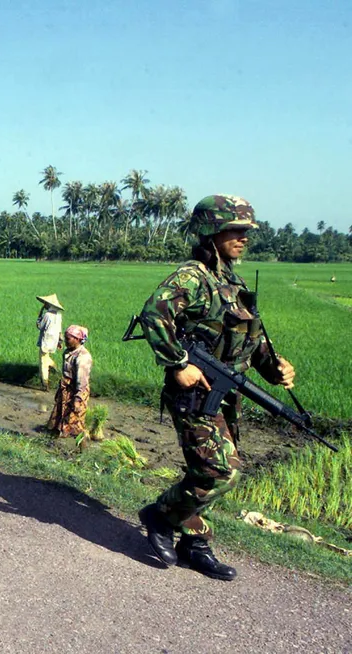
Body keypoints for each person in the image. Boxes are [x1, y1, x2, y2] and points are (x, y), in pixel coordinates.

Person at [136, 195, 295, 582]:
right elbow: (153, 315)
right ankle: (160, 514)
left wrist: (275, 368)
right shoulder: (192, 276)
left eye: (245, 231)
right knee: (220, 470)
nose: (243, 237)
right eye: (235, 230)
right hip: (194, 392)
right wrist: (179, 364)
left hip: (225, 393)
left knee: (205, 470)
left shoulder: (231, 281)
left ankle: (195, 544)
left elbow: (249, 340)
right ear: (210, 230)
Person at [46, 325, 92, 439]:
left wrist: (77, 399)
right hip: (66, 388)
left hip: (77, 391)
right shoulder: (68, 352)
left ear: (77, 339)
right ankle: (55, 439)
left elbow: (82, 381)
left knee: (75, 421)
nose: (66, 341)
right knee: (59, 416)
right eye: (65, 338)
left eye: (68, 339)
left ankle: (82, 446)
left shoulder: (83, 357)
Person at [35, 294, 64, 391]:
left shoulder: (47, 315)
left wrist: (40, 313)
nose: (45, 305)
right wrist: (60, 341)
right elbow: (59, 330)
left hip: (46, 341)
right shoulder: (59, 315)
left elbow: (40, 326)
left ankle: (45, 383)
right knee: (46, 358)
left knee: (43, 361)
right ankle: (56, 370)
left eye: (46, 303)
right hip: (54, 341)